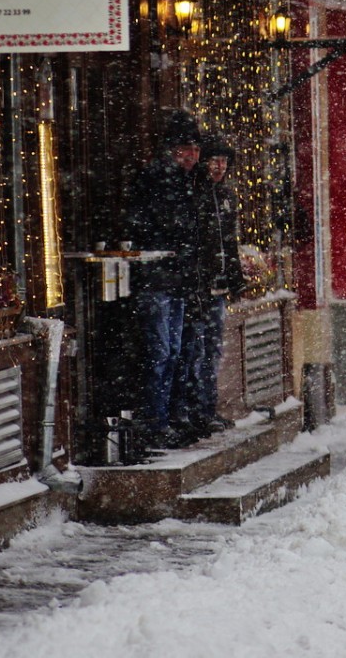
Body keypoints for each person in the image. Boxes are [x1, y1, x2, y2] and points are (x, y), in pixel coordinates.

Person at [124, 109, 205, 451]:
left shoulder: (185, 181)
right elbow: (160, 226)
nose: (193, 156)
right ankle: (158, 420)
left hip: (173, 280)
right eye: (187, 149)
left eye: (196, 150)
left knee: (173, 353)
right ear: (172, 149)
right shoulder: (160, 179)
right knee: (162, 353)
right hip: (158, 279)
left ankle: (168, 417)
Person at [177, 134, 245, 442]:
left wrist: (234, 276)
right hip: (198, 287)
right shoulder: (195, 195)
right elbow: (194, 243)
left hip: (216, 288)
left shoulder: (226, 196)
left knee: (211, 350)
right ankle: (192, 411)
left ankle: (206, 408)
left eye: (224, 163)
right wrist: (197, 279)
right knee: (194, 348)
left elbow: (229, 242)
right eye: (215, 161)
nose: (219, 167)